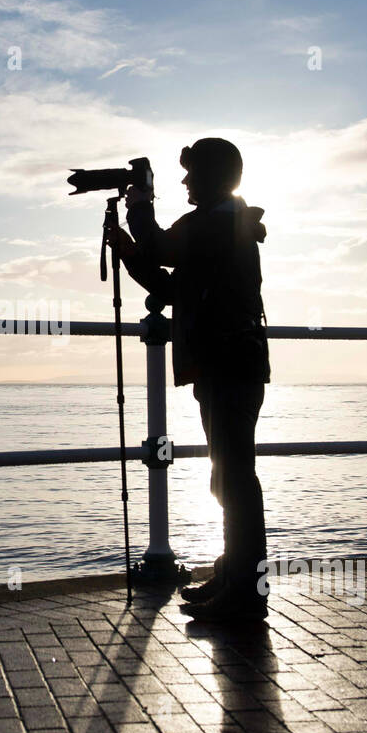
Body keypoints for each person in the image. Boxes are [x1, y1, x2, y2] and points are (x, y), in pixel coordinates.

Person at [113, 137, 271, 621]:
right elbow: (171, 286)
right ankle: (234, 577)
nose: (184, 182)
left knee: (235, 480)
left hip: (228, 364)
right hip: (227, 364)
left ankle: (245, 592)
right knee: (230, 478)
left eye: (191, 173)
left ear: (213, 176)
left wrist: (140, 206)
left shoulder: (217, 223)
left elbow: (162, 247)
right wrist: (126, 249)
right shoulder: (224, 223)